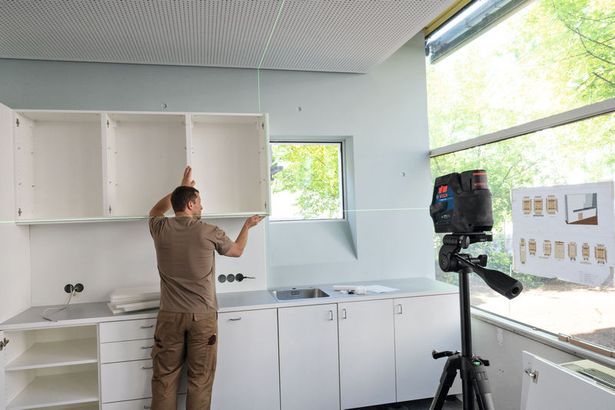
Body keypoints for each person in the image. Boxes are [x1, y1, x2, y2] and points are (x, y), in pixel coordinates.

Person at [148, 166, 263, 410]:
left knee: (164, 378)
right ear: (190, 204)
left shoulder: (160, 229)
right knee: (200, 379)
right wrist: (247, 226)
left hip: (169, 315)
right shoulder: (209, 231)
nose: (202, 206)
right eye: (199, 202)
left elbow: (156, 210)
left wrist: (181, 187)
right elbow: (237, 251)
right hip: (202, 317)